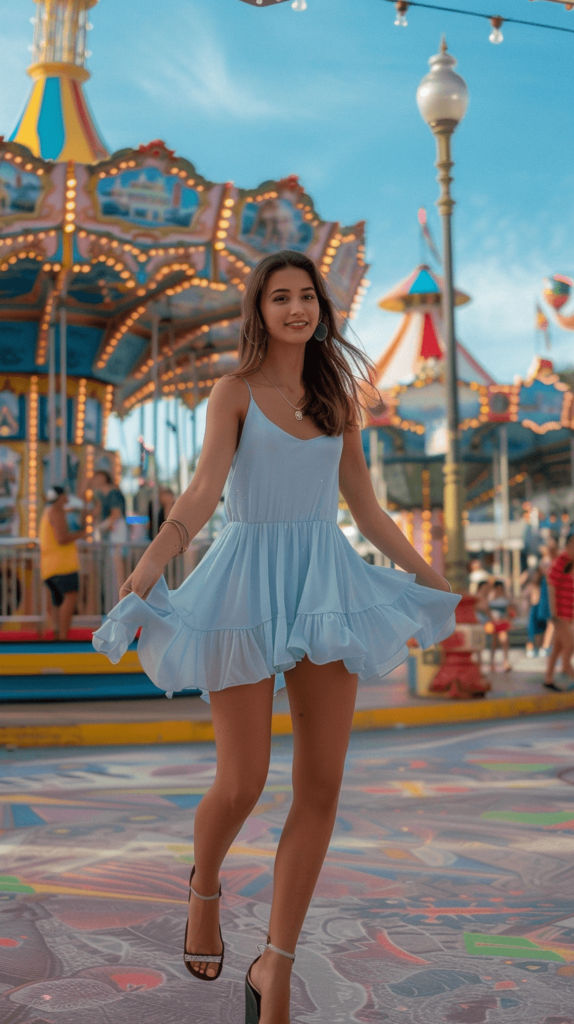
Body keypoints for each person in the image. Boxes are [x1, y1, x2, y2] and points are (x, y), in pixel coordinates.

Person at [93, 249, 459, 1024]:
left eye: (306, 296)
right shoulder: (233, 392)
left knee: (321, 785)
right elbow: (203, 489)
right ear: (259, 312)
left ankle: (277, 965)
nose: (295, 309)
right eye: (279, 298)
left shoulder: (338, 398)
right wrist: (153, 564)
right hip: (245, 584)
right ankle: (205, 885)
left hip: (324, 585)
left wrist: (430, 577)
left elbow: (365, 509)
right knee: (244, 780)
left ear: (321, 307)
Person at [39, 486, 86, 640]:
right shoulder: (56, 512)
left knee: (57, 603)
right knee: (69, 598)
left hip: (49, 566)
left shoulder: (48, 513)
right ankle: (63, 637)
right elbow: (62, 538)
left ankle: (57, 633)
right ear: (61, 497)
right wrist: (82, 534)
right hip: (63, 566)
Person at [545, 530, 574, 691]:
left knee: (558, 647)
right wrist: (554, 612)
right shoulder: (561, 561)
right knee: (569, 645)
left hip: (566, 614)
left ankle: (548, 678)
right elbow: (551, 585)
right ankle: (567, 670)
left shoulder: (570, 563)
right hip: (560, 614)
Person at [91, 469, 128, 596]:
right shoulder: (101, 495)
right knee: (111, 568)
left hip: (116, 532)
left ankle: (120, 598)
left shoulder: (112, 493)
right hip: (111, 533)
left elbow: (116, 514)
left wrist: (101, 526)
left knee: (117, 568)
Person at [487, 579, 514, 673]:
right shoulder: (490, 597)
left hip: (502, 622)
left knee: (504, 640)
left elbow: (510, 610)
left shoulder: (505, 598)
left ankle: (506, 661)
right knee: (494, 643)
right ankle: (492, 663)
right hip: (493, 622)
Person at [523, 567, 547, 658]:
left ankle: (540, 647)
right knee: (531, 631)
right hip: (533, 609)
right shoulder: (531, 586)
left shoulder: (542, 586)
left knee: (541, 630)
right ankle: (530, 648)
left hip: (540, 610)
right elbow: (526, 599)